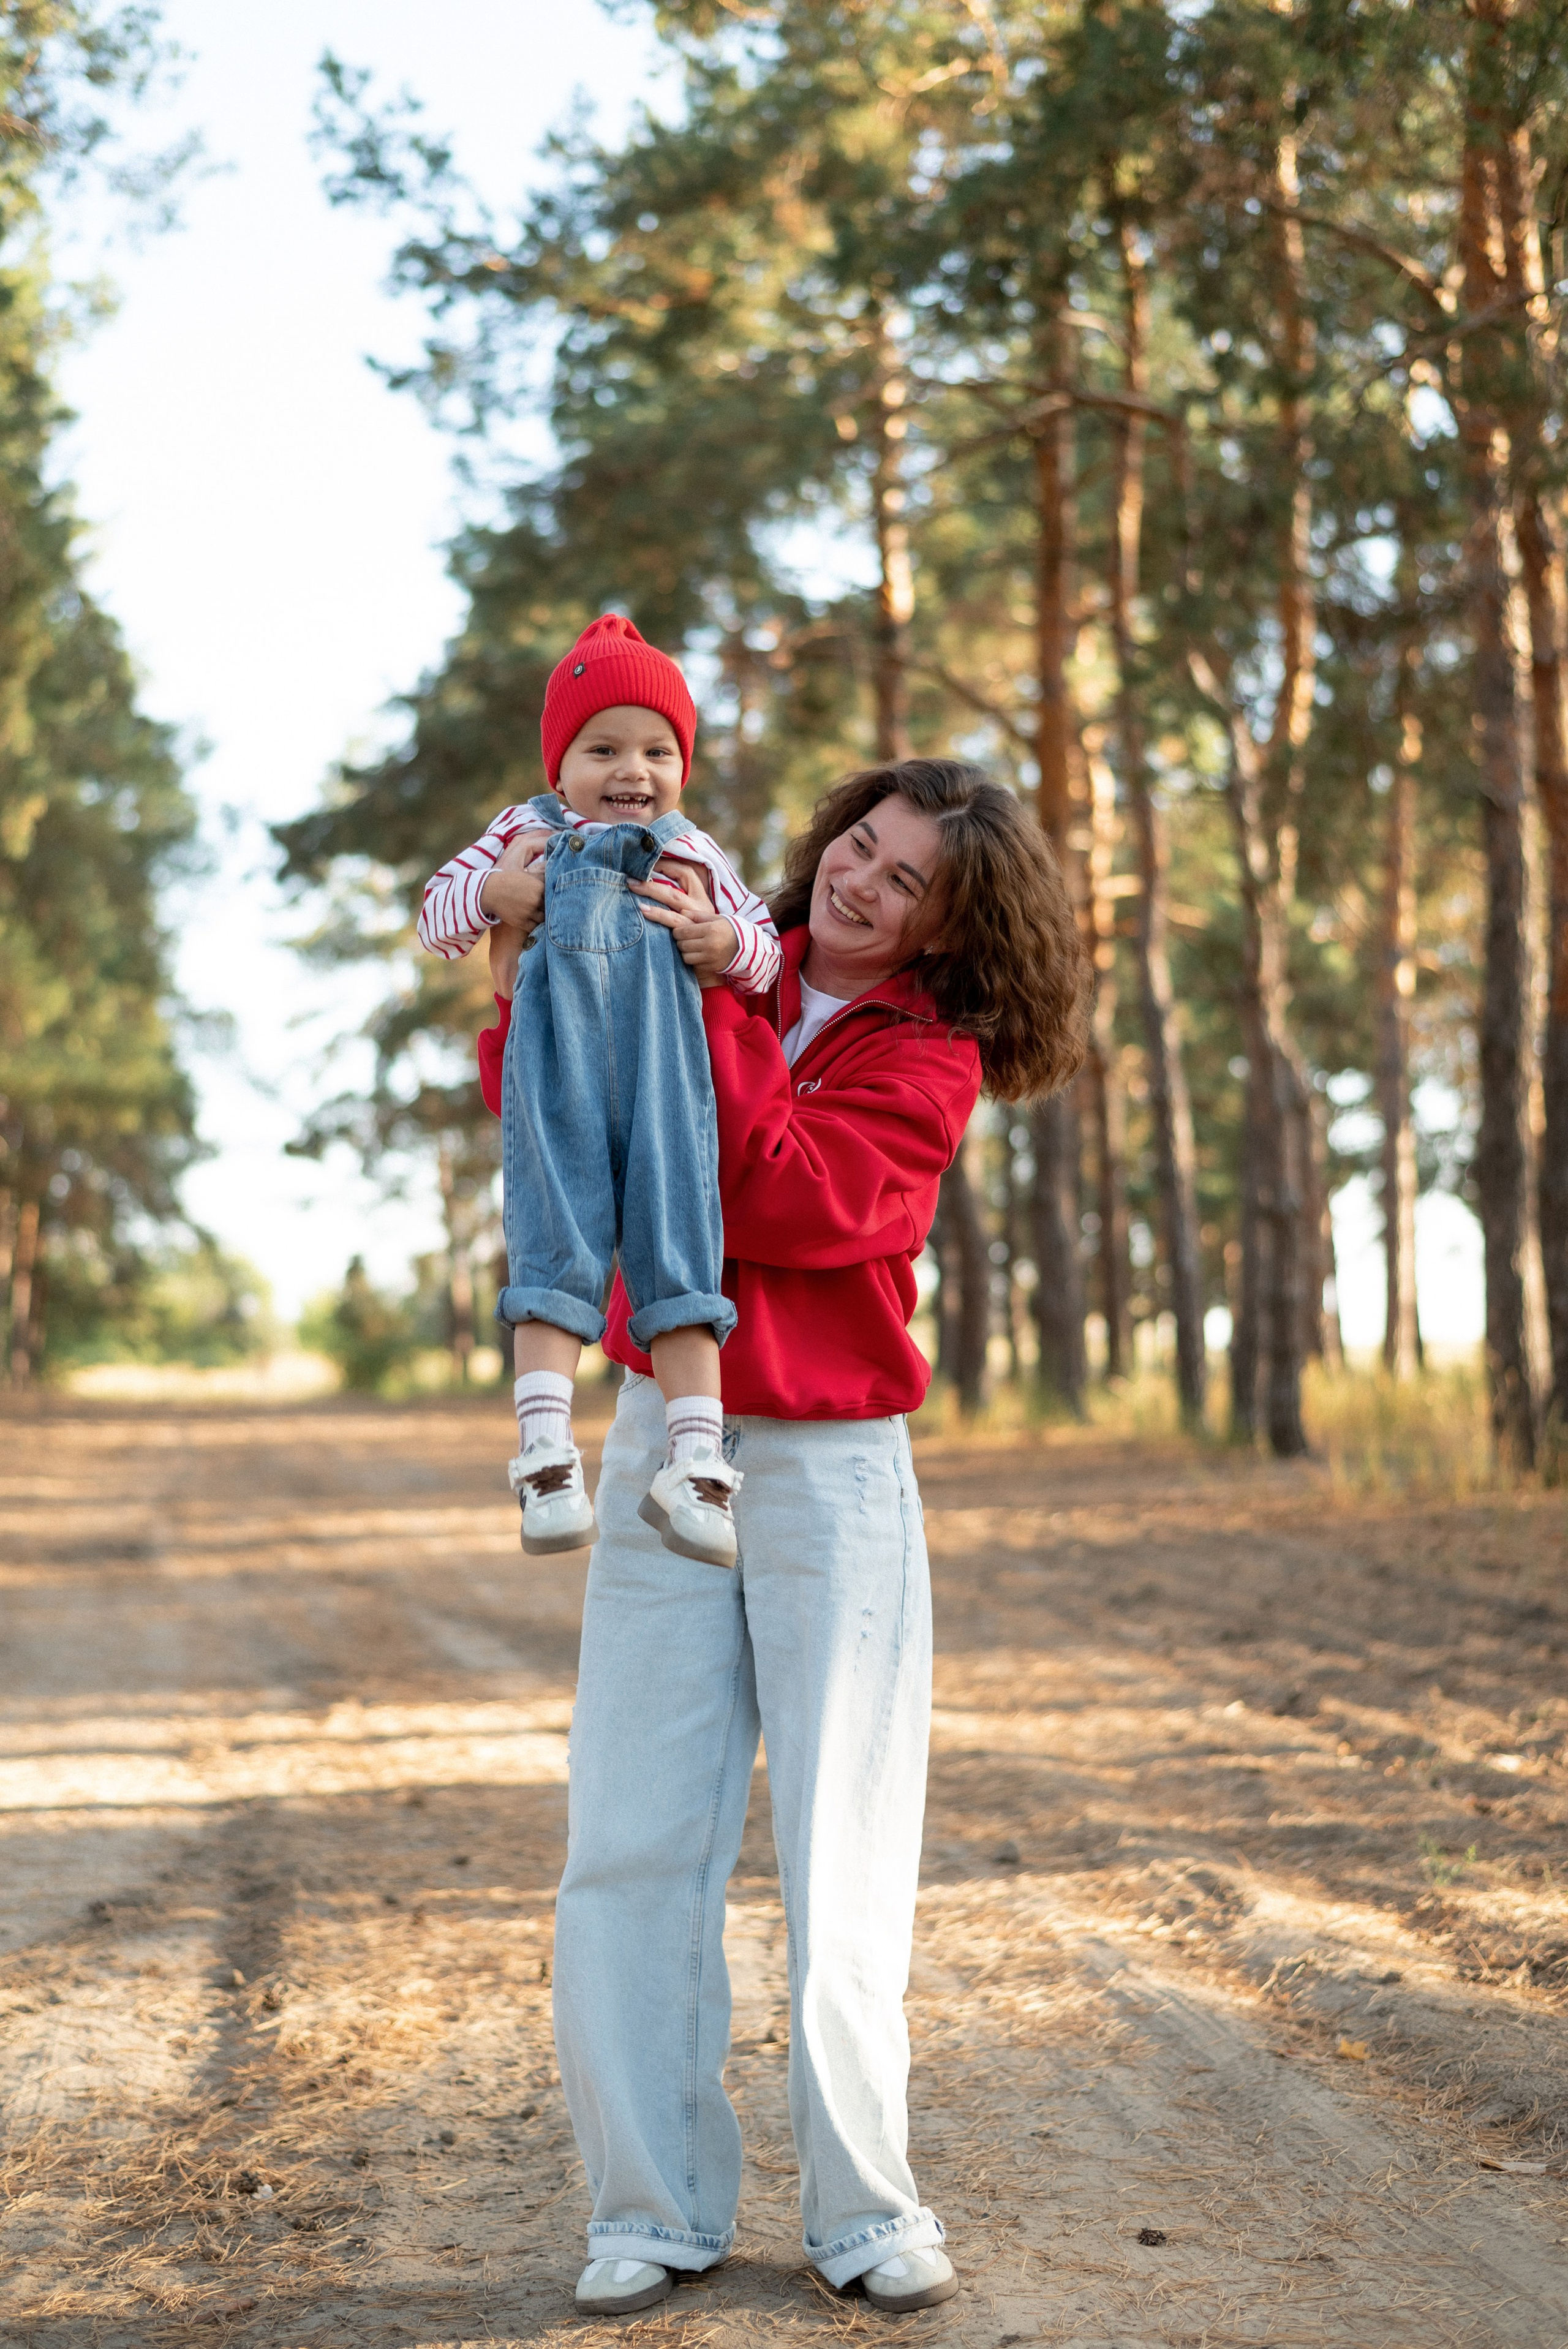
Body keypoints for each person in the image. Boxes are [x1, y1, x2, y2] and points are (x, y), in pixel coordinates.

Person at [478, 755, 1091, 2320]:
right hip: (656, 1441)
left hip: (829, 1468)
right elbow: (552, 1105)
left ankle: (865, 2212)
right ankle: (650, 2206)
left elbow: (796, 1200)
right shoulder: (689, 924)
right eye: (858, 847)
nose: (860, 885)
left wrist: (717, 1011)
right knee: (628, 1836)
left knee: (843, 1850)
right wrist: (520, 939)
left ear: (950, 932)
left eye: (904, 883)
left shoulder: (923, 1054)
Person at [420, 614, 781, 1567]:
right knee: (553, 1242)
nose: (635, 769)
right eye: (604, 747)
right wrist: (492, 896)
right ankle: (546, 1462)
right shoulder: (522, 833)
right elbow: (435, 916)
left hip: (669, 1079)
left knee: (681, 1247)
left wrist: (719, 940)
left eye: (659, 750)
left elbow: (765, 953)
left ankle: (696, 1469)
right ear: (560, 765)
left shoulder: (692, 850)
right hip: (557, 1072)